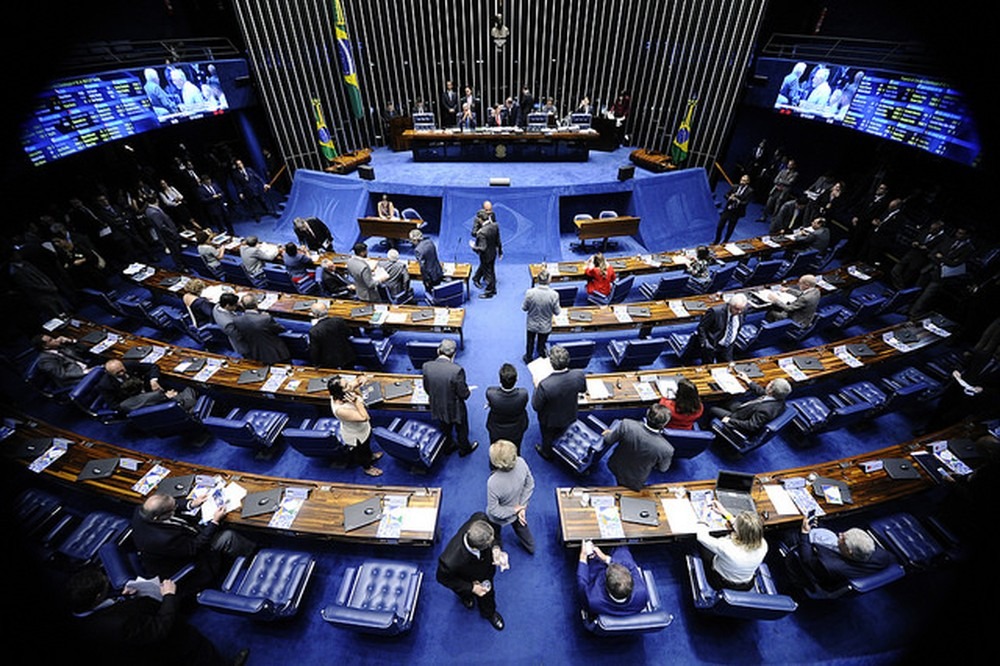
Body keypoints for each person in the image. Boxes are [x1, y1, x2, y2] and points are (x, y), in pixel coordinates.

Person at [65, 567, 233, 666]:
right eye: (106, 586)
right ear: (97, 597)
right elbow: (160, 629)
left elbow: (112, 608)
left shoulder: (81, 610)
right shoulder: (114, 627)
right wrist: (168, 596)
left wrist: (125, 597)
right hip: (175, 649)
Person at [130, 492, 257, 593]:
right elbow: (195, 547)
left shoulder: (142, 510)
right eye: (173, 509)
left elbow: (170, 505)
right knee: (228, 537)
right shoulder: (163, 540)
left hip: (185, 537)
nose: (176, 508)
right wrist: (215, 522)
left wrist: (191, 504)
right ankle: (254, 556)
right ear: (157, 517)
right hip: (190, 559)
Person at [436, 513, 508, 631]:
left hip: (485, 573)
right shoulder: (449, 561)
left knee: (487, 595)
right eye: (489, 544)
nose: (492, 541)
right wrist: (471, 588)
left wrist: (496, 549)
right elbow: (443, 578)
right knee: (465, 593)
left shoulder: (480, 519)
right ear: (476, 548)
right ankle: (466, 597)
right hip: (464, 578)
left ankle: (489, 613)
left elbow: (494, 536)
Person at [796, 514, 895, 589]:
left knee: (791, 535)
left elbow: (807, 559)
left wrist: (804, 533)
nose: (840, 534)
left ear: (849, 551)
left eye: (843, 538)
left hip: (819, 574)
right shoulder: (883, 555)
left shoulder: (830, 565)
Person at [422, 338, 477, 456]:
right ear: (454, 354)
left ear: (438, 351)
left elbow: (427, 388)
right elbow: (464, 394)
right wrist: (468, 391)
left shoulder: (426, 366)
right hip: (455, 408)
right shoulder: (457, 370)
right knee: (462, 429)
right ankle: (464, 449)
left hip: (437, 404)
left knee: (444, 427)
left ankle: (448, 446)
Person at [532, 344, 587, 461]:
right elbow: (583, 390)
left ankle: (546, 452)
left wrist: (536, 387)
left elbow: (536, 406)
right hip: (570, 413)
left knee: (547, 437)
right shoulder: (579, 374)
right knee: (562, 430)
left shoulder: (545, 384)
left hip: (549, 420)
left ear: (551, 364)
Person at [605, 403, 675, 490]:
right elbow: (663, 469)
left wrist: (607, 433)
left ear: (647, 413)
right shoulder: (667, 449)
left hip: (616, 465)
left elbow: (608, 440)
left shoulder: (627, 424)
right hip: (637, 476)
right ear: (664, 424)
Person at [696, 507, 768, 591]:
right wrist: (725, 513)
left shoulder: (727, 547)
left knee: (703, 546)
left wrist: (703, 517)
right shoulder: (763, 545)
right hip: (747, 584)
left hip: (722, 582)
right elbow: (746, 529)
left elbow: (701, 537)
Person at [486, 439, 536, 554]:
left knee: (495, 533)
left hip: (500, 517)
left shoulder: (493, 482)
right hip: (518, 511)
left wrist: (515, 509)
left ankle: (497, 545)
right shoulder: (521, 462)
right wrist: (522, 507)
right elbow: (530, 484)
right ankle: (531, 548)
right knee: (523, 530)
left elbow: (494, 510)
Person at [327, 375, 383, 476]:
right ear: (340, 391)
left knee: (367, 446)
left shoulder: (344, 392)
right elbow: (364, 417)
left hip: (364, 429)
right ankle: (367, 468)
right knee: (361, 453)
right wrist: (357, 402)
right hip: (355, 435)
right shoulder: (340, 410)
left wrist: (362, 379)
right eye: (346, 385)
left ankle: (371, 456)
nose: (350, 385)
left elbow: (357, 381)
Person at [98, 359, 197, 415]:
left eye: (122, 369)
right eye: (118, 373)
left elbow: (153, 367)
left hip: (150, 392)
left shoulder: (128, 364)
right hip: (137, 402)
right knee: (189, 395)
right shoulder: (105, 385)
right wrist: (147, 402)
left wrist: (153, 380)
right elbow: (115, 406)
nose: (122, 373)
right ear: (108, 373)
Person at [577, 543, 649, 616]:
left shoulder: (593, 599)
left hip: (598, 572)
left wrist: (583, 556)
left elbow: (582, 583)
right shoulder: (642, 593)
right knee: (622, 547)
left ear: (605, 585)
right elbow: (632, 567)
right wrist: (606, 558)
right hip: (629, 608)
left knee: (594, 560)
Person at [709, 376, 792, 437]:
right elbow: (762, 392)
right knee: (728, 399)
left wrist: (729, 420)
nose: (769, 382)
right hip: (745, 410)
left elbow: (751, 426)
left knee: (712, 409)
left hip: (738, 419)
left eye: (771, 383)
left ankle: (706, 429)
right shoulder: (779, 398)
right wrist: (748, 380)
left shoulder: (765, 411)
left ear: (770, 390)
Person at [681, 293, 748, 365]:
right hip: (712, 345)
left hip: (727, 346)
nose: (739, 312)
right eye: (737, 309)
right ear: (730, 305)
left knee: (726, 367)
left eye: (741, 309)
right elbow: (701, 327)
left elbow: (737, 328)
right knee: (709, 366)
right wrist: (704, 343)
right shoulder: (715, 312)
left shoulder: (742, 311)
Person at [231, 293, 291, 364]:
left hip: (254, 354)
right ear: (256, 304)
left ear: (243, 306)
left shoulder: (237, 320)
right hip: (276, 353)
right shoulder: (265, 318)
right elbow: (281, 329)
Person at [890, 219, 946, 288]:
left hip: (921, 258)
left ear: (938, 230)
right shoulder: (925, 231)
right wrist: (914, 242)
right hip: (911, 253)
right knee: (895, 270)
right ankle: (899, 285)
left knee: (907, 276)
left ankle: (899, 288)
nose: (931, 230)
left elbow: (936, 251)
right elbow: (916, 239)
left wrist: (927, 249)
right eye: (931, 228)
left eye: (934, 229)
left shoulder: (942, 239)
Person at [486, 363, 529, 453]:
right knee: (515, 450)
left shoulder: (491, 393)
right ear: (516, 380)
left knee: (496, 451)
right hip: (516, 429)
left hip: (496, 429)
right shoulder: (523, 394)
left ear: (500, 380)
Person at [522, 269, 560, 363]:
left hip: (532, 325)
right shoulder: (554, 295)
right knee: (541, 344)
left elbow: (524, 308)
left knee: (530, 342)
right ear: (549, 280)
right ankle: (541, 358)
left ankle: (528, 357)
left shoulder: (529, 293)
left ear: (538, 280)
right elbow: (557, 312)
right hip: (545, 326)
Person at [31, 333, 95, 388]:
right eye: (51, 340)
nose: (55, 339)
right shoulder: (45, 361)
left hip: (85, 366)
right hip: (75, 379)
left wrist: (71, 341)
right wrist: (86, 372)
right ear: (45, 346)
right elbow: (63, 375)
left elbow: (83, 350)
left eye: (52, 338)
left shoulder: (59, 347)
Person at [308, 301, 356, 369]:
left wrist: (316, 365)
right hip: (347, 356)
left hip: (329, 363)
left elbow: (315, 351)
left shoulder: (314, 331)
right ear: (327, 310)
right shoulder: (339, 320)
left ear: (314, 315)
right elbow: (349, 333)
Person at [714, 174, 754, 244]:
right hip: (728, 209)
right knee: (720, 226)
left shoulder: (750, 191)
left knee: (730, 228)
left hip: (736, 212)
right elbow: (726, 195)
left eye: (744, 181)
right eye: (742, 180)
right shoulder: (735, 186)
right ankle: (716, 240)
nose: (742, 182)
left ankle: (725, 241)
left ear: (748, 182)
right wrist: (730, 197)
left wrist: (737, 200)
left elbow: (745, 203)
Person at [471, 208, 502, 298]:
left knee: (488, 274)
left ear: (480, 219)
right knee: (491, 270)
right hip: (493, 252)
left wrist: (474, 247)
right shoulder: (495, 225)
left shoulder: (482, 232)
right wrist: (500, 251)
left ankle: (489, 292)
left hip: (486, 255)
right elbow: (498, 240)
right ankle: (489, 286)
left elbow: (482, 248)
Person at [212, 291, 248, 356]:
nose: (237, 306)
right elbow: (238, 336)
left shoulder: (217, 306)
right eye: (235, 305)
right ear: (227, 306)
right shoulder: (227, 323)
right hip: (244, 345)